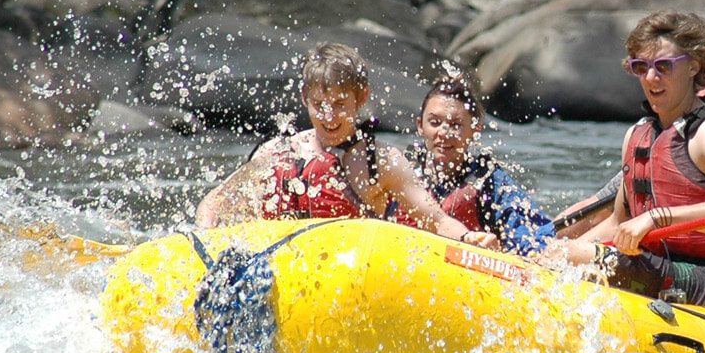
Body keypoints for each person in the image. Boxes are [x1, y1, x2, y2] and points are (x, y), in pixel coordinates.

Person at [547, 11, 705, 307]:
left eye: (664, 66)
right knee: (555, 252)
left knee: (572, 256)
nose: (651, 77)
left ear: (694, 66)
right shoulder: (637, 134)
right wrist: (559, 250)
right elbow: (618, 221)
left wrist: (657, 218)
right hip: (652, 266)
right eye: (641, 67)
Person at [194, 43, 499, 250]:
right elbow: (213, 204)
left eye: (340, 104)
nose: (328, 117)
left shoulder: (380, 162)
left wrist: (469, 237)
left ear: (361, 97)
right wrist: (205, 240)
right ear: (304, 99)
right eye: (318, 104)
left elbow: (435, 219)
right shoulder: (276, 151)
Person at [552, 38, 705, 238]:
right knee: (597, 207)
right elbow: (608, 216)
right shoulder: (666, 138)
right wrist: (554, 251)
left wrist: (659, 217)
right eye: (702, 84)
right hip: (657, 254)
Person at [406, 78, 556, 255]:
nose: (444, 133)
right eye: (434, 123)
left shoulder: (489, 180)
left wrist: (511, 250)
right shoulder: (400, 168)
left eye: (456, 125)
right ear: (420, 126)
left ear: (475, 128)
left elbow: (528, 235)